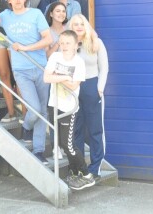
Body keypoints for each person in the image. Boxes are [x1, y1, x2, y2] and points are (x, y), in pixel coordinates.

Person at [0, 0, 52, 162]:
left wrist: (26, 48)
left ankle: (38, 150)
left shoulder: (36, 14)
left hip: (40, 67)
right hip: (21, 70)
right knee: (36, 109)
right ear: (8, 0)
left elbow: (49, 39)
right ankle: (27, 124)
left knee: (42, 111)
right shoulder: (6, 16)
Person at [44, 30, 94, 190]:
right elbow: (46, 78)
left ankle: (87, 175)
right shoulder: (55, 57)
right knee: (59, 142)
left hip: (69, 108)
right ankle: (73, 173)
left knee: (68, 145)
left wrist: (57, 76)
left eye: (68, 43)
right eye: (62, 42)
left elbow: (74, 85)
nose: (64, 46)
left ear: (75, 45)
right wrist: (65, 77)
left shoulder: (78, 62)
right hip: (54, 104)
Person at [68, 14, 109, 178]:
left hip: (92, 86)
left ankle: (95, 168)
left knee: (95, 130)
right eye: (75, 24)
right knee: (76, 130)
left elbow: (104, 68)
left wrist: (99, 88)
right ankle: (79, 167)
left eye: (81, 24)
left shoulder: (96, 42)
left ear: (86, 26)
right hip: (73, 89)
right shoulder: (68, 45)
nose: (78, 27)